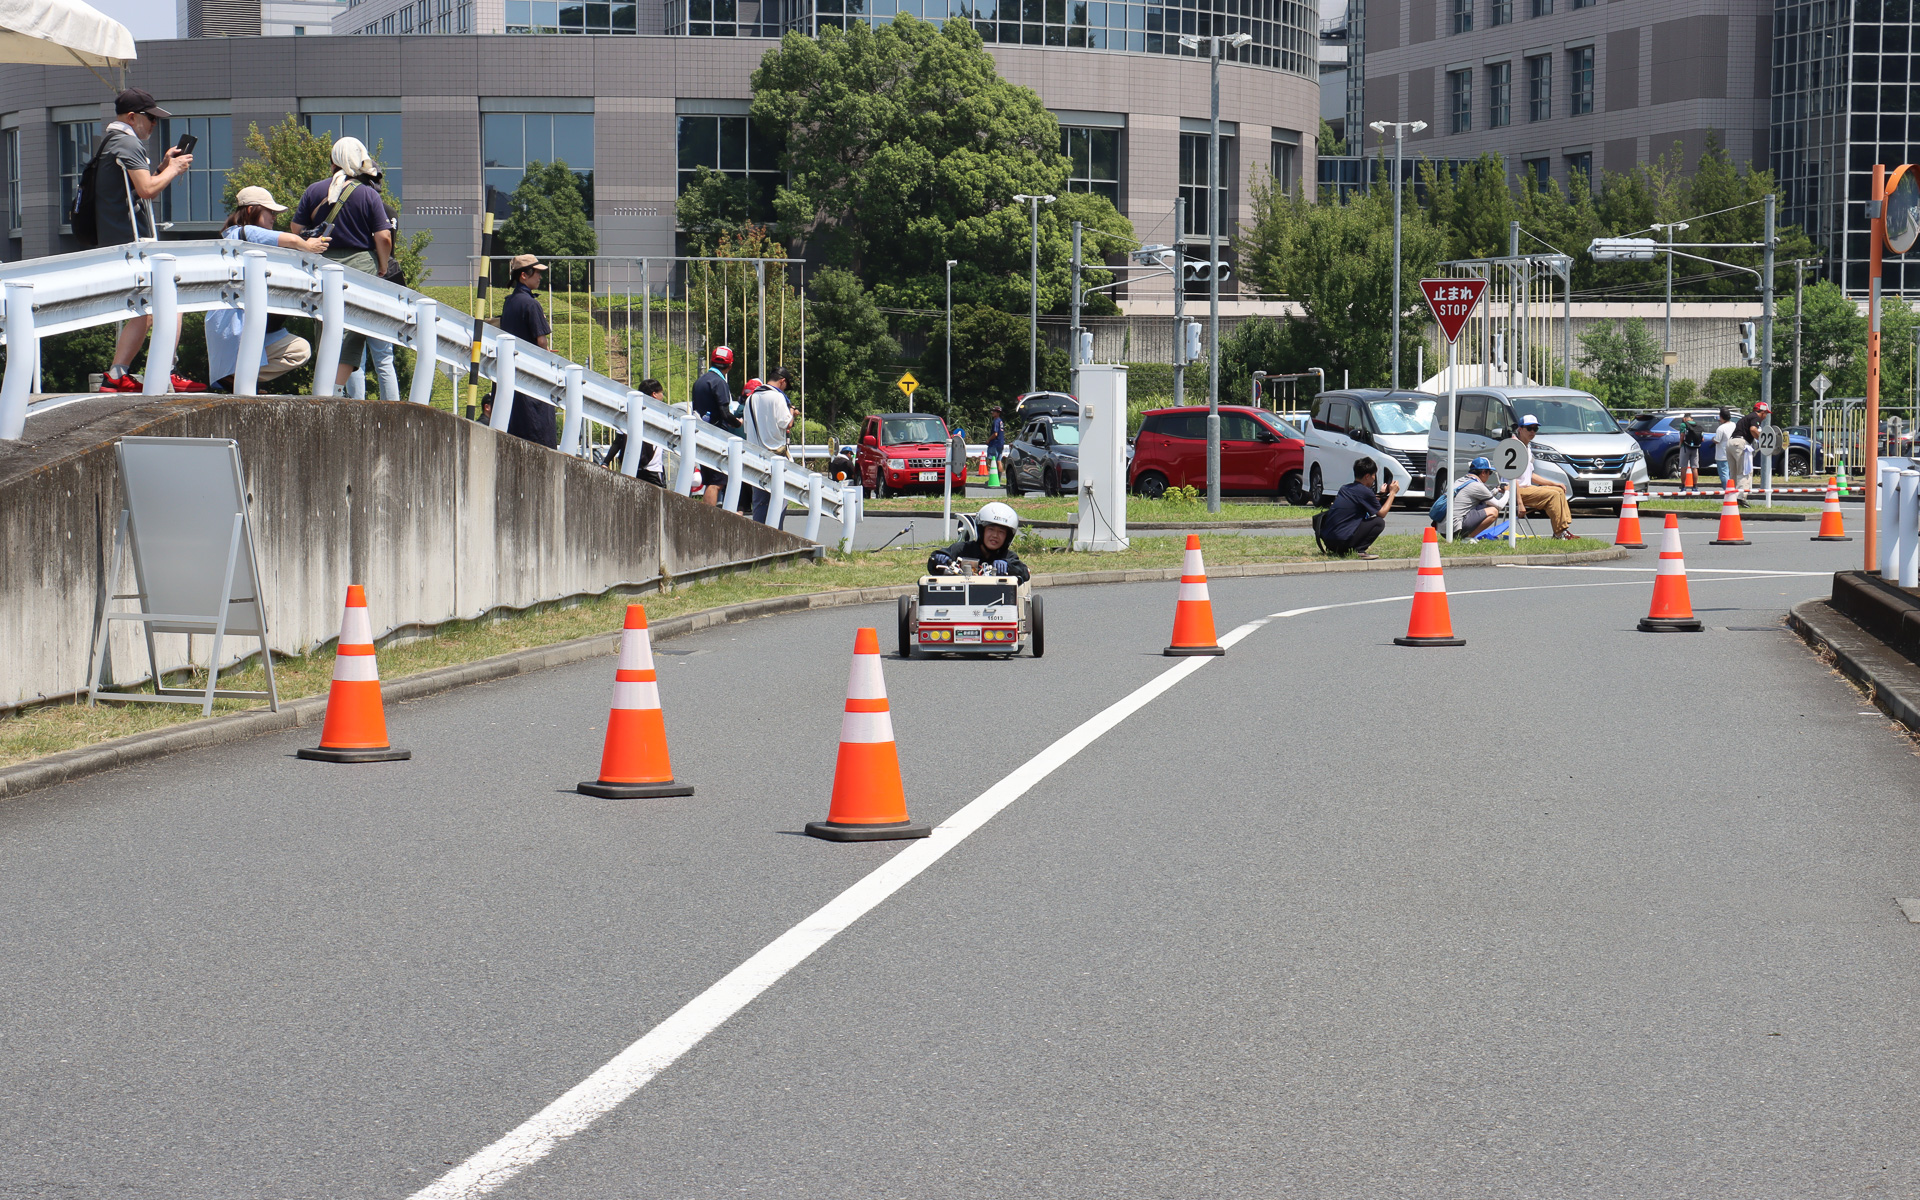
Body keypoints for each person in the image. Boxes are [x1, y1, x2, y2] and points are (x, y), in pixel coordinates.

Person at [95, 89, 205, 393]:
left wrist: (161, 168)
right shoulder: (129, 143)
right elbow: (146, 191)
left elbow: (138, 188)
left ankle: (116, 375)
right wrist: (172, 169)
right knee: (172, 301)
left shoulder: (110, 141)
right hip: (132, 242)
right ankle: (166, 372)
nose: (154, 126)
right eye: (151, 119)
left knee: (145, 308)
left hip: (117, 239)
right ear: (132, 117)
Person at [290, 136, 393, 395]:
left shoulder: (315, 190)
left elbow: (296, 229)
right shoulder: (368, 194)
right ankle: (334, 391)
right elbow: (383, 236)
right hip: (360, 268)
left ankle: (327, 386)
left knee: (326, 327)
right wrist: (382, 266)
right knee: (354, 332)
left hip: (322, 265)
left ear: (333, 161)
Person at [204, 186, 328, 392]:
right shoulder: (244, 232)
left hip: (237, 325)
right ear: (252, 210)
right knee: (299, 351)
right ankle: (238, 377)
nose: (274, 218)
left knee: (300, 350)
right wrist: (308, 246)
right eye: (270, 212)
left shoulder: (234, 236)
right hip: (236, 325)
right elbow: (291, 240)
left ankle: (240, 377)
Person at [487, 254, 558, 447]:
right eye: (536, 273)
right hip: (530, 375)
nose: (540, 277)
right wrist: (545, 353)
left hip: (511, 373)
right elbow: (541, 341)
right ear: (524, 276)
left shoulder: (509, 302)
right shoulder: (531, 304)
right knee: (538, 433)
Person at [744, 365, 796, 526]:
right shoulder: (777, 397)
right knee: (779, 499)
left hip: (755, 455)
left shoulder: (751, 398)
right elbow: (786, 424)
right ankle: (776, 535)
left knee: (759, 500)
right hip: (776, 456)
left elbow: (746, 427)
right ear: (782, 381)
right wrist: (792, 412)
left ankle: (759, 535)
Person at [690, 345, 741, 505]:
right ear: (730, 365)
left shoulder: (700, 381)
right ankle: (708, 519)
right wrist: (737, 423)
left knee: (709, 480)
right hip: (715, 436)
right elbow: (725, 413)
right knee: (716, 482)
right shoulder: (719, 383)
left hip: (701, 434)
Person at [928, 501, 1029, 581]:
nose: (995, 535)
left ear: (1008, 537)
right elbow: (934, 560)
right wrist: (940, 558)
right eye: (991, 529)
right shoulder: (962, 549)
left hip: (996, 603)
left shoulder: (1008, 557)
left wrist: (1008, 566)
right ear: (981, 530)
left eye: (1001, 532)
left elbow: (1024, 572)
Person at [1512, 414, 1576, 539]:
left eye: (1535, 429)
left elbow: (1530, 475)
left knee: (1559, 490)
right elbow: (1511, 478)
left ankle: (1563, 529)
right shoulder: (1514, 446)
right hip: (1514, 489)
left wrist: (1554, 483)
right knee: (1553, 495)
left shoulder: (1527, 446)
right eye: (1529, 428)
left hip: (1526, 487)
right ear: (1520, 429)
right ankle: (1559, 533)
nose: (1532, 432)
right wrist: (1519, 503)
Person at [1319, 456, 1398, 558]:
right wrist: (1392, 493)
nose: (1374, 479)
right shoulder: (1365, 492)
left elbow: (1365, 499)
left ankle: (1346, 549)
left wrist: (1382, 494)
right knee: (1378, 522)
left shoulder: (1345, 488)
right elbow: (1382, 513)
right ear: (1367, 476)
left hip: (1329, 542)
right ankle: (1359, 550)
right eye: (1373, 475)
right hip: (1342, 542)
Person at [607, 378, 668, 487]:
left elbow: (618, 441)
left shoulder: (631, 413)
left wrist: (606, 462)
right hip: (653, 468)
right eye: (661, 393)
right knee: (659, 501)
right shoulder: (660, 416)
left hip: (633, 466)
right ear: (654, 394)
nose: (662, 396)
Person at [1448, 456, 1508, 538]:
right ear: (1483, 472)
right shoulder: (1477, 485)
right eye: (1489, 473)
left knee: (1482, 505)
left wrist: (1495, 491)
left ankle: (1462, 537)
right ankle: (1468, 538)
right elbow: (1499, 505)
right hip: (1456, 527)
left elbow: (1482, 498)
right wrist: (1508, 492)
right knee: (1493, 511)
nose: (1489, 475)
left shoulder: (1460, 480)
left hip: (1446, 529)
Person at [1730, 404, 1767, 502]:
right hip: (1741, 443)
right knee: (1745, 471)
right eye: (1766, 413)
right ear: (1762, 412)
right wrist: (1762, 439)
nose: (1766, 416)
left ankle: (1731, 497)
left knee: (1733, 473)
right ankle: (1740, 498)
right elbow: (1753, 429)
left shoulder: (1746, 417)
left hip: (1731, 443)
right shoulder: (1756, 417)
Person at [1675, 412, 1704, 482]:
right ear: (1691, 419)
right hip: (1695, 447)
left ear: (1684, 419)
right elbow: (1702, 439)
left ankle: (1683, 486)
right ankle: (1695, 486)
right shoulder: (1697, 425)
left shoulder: (1683, 424)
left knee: (1683, 467)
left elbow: (1682, 436)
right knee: (1694, 468)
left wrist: (1680, 444)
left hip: (1685, 447)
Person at [1713, 407, 1737, 487]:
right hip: (1733, 453)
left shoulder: (1721, 428)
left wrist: (1712, 439)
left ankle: (1727, 490)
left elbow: (1717, 440)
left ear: (1721, 417)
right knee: (1732, 474)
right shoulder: (1734, 425)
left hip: (1722, 455)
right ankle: (1733, 489)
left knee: (1724, 474)